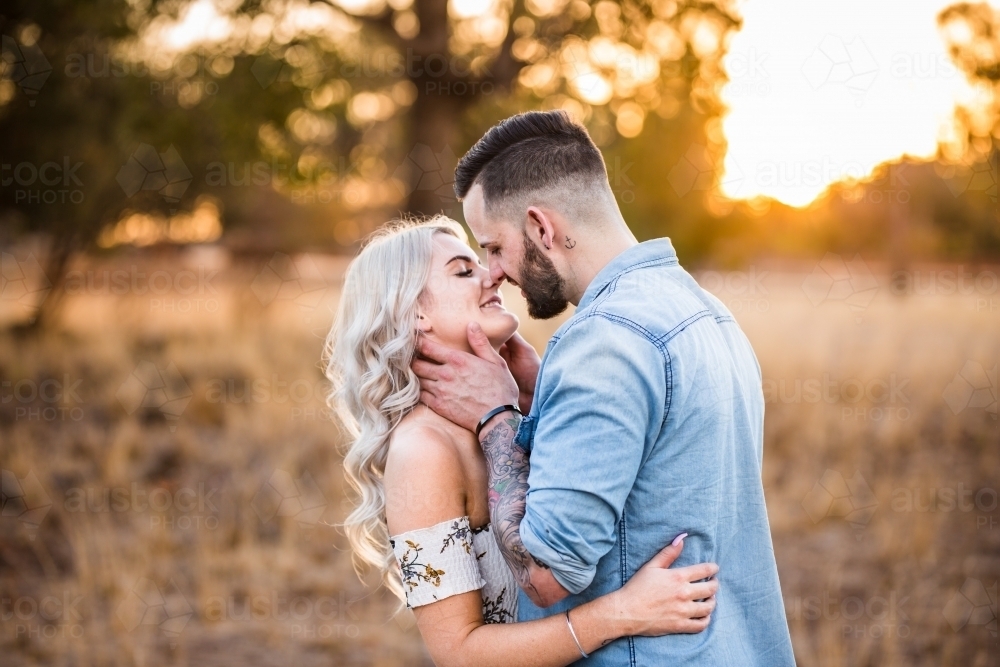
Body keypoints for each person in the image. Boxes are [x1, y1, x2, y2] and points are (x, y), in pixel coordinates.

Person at [413, 110, 796, 666]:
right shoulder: (704, 312)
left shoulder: (602, 343)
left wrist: (495, 416)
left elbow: (546, 575)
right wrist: (540, 397)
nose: (493, 273)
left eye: (494, 247)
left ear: (542, 228)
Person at [324, 217, 720, 667]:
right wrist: (623, 613)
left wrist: (535, 397)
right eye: (463, 270)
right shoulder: (423, 451)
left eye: (482, 261)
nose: (492, 274)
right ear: (415, 311)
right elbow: (458, 653)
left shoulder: (505, 414)